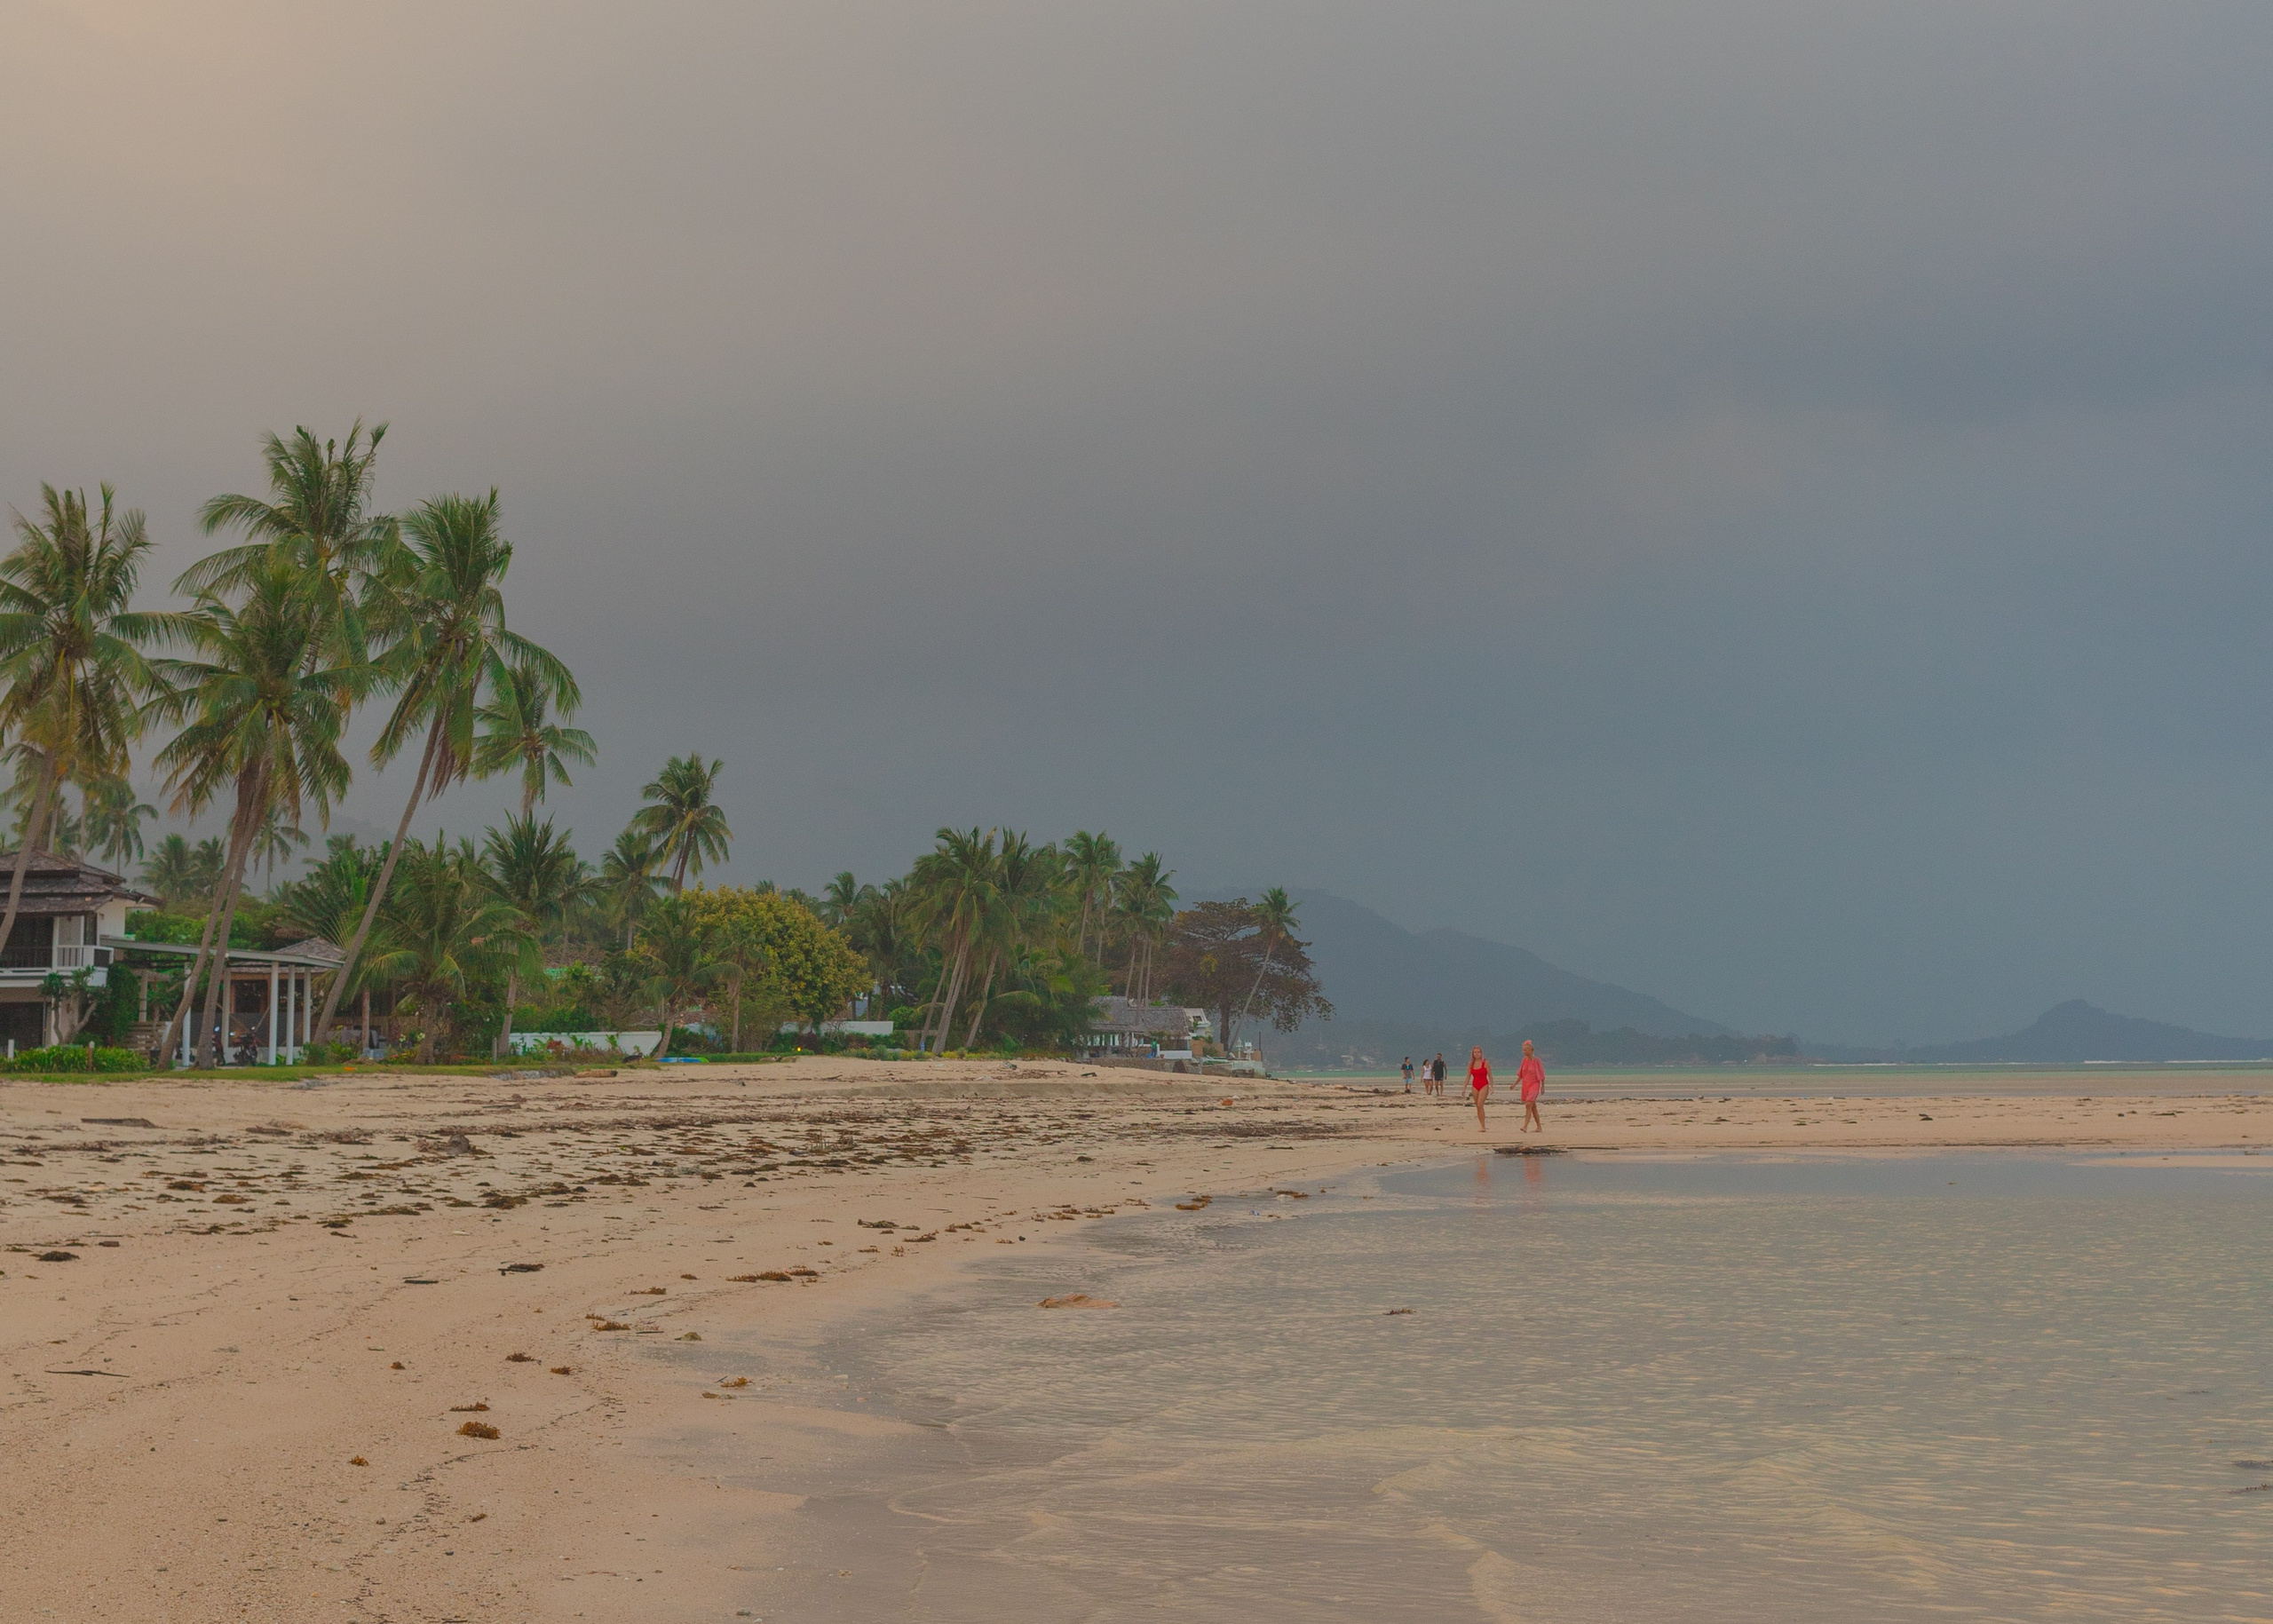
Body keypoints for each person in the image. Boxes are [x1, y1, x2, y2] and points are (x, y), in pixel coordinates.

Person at [1517, 1038, 1547, 1134]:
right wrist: (1514, 1084)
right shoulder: (1524, 1060)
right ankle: (1539, 1127)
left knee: (1528, 1104)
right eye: (1523, 1050)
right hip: (1526, 1085)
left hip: (1535, 1084)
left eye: (1526, 1050)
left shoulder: (1537, 1061)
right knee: (1533, 1107)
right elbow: (1521, 1074)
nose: (1524, 1052)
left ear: (1531, 1050)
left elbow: (1542, 1074)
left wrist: (1542, 1087)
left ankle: (1525, 1126)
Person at [1467, 1044, 1492, 1132]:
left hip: (1484, 1084)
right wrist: (1464, 1088)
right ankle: (1481, 1124)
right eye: (1475, 1052)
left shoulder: (1485, 1062)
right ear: (1473, 1054)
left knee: (1480, 1104)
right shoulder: (1471, 1064)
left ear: (1481, 1053)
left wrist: (1492, 1086)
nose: (1477, 1054)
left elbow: (1490, 1075)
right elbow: (1468, 1076)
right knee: (1478, 1106)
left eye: (1478, 1052)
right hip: (1475, 1085)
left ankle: (1483, 1126)